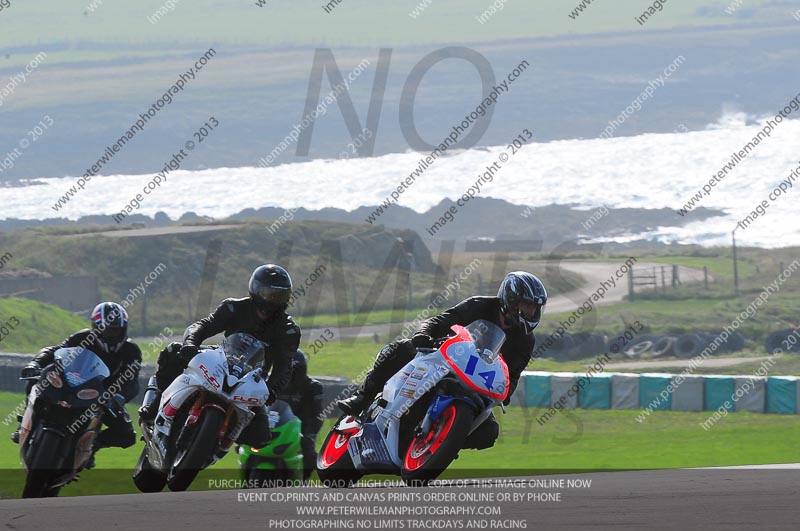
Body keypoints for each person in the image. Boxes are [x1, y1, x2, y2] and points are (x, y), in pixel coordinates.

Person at [337, 271, 546, 450]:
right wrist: (423, 334)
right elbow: (439, 320)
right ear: (511, 300)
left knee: (489, 432)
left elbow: (513, 373)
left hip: (476, 381)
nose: (531, 312)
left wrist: (505, 393)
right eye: (527, 306)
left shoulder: (526, 341)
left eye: (535, 308)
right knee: (400, 348)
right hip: (446, 359)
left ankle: (441, 443)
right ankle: (362, 397)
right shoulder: (478, 305)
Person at [139, 264, 301, 449]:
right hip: (220, 360)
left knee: (261, 438)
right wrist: (191, 344)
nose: (272, 300)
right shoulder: (233, 307)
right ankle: (156, 404)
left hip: (252, 380)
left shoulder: (289, 330)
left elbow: (284, 366)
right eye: (267, 293)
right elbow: (203, 326)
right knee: (173, 352)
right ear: (255, 290)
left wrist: (272, 390)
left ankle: (220, 442)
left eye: (278, 295)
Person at [11, 302, 141, 452]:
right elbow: (56, 350)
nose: (112, 335)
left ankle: (90, 446)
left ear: (124, 329)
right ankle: (25, 425)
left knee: (127, 435)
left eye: (116, 331)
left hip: (103, 396)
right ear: (96, 328)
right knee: (37, 382)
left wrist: (118, 396)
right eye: (107, 330)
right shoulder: (82, 337)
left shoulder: (131, 350)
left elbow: (131, 379)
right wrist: (36, 363)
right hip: (72, 385)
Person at [277, 349, 324, 483]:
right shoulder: (274, 383)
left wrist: (309, 434)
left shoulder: (313, 387)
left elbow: (316, 415)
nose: (292, 373)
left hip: (299, 430)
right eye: (289, 369)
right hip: (274, 427)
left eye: (295, 369)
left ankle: (303, 481)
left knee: (308, 451)